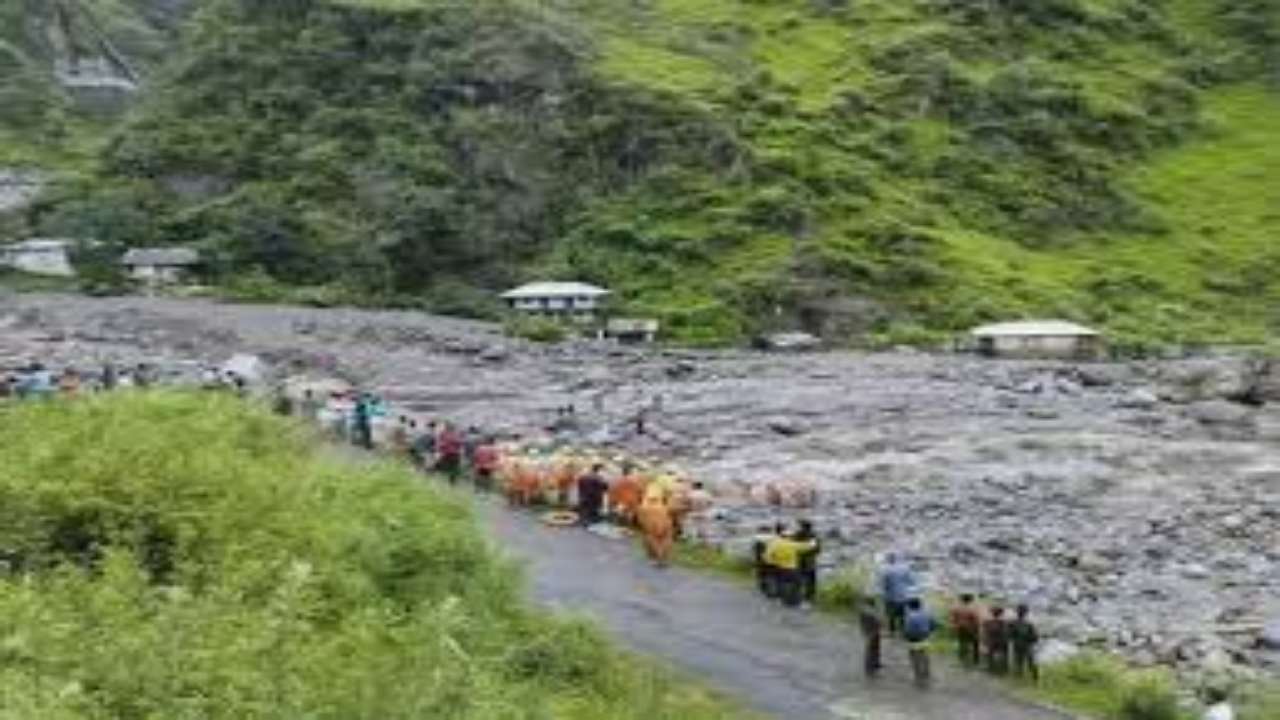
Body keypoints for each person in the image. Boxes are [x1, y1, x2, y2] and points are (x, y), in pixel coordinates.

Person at [764, 529, 816, 608]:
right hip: (791, 568)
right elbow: (807, 546)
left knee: (781, 584)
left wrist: (774, 562)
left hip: (779, 567)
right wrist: (813, 540)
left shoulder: (774, 544)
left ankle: (782, 600)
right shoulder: (791, 544)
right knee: (798, 583)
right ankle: (796, 601)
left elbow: (766, 557)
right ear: (788, 536)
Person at [880, 553, 917, 637]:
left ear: (888, 560)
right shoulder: (905, 569)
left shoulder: (886, 570)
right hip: (903, 596)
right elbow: (912, 582)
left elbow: (884, 584)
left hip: (890, 597)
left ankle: (891, 632)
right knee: (902, 615)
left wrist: (883, 593)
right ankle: (902, 632)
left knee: (890, 615)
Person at [904, 598, 937, 688]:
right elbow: (934, 624)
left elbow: (907, 630)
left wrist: (906, 638)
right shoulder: (927, 614)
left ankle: (918, 676)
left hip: (914, 639)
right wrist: (930, 631)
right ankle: (927, 673)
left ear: (910, 606)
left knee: (915, 658)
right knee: (925, 656)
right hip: (925, 637)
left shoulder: (910, 616)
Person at [637, 494, 675, 568]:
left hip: (652, 526)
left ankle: (658, 559)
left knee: (653, 542)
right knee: (665, 541)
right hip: (666, 525)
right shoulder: (664, 507)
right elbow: (672, 514)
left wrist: (644, 527)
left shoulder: (643, 508)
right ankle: (663, 559)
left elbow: (640, 520)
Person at [950, 593, 983, 668]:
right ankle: (975, 660)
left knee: (962, 643)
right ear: (970, 600)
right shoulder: (972, 609)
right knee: (975, 644)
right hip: (971, 628)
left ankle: (962, 658)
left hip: (960, 628)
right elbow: (976, 620)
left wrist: (955, 626)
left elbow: (953, 618)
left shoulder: (956, 608)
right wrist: (978, 628)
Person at [1009, 604, 1040, 682]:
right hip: (1027, 646)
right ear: (1026, 613)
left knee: (1019, 662)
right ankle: (1035, 679)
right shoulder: (1029, 624)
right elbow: (1035, 637)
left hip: (1017, 645)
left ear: (1017, 612)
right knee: (1031, 663)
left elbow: (1009, 636)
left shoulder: (1012, 623)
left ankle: (1019, 678)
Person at [794, 519, 821, 608]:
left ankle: (798, 597)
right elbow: (818, 550)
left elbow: (793, 547)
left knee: (799, 579)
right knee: (811, 580)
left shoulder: (797, 535)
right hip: (810, 561)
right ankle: (810, 598)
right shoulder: (814, 536)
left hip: (799, 560)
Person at [753, 524, 782, 599]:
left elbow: (755, 550)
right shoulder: (774, 538)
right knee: (773, 575)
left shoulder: (757, 539)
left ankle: (766, 589)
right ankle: (774, 590)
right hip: (772, 560)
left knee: (763, 575)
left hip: (761, 560)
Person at [858, 598, 884, 678]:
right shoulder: (871, 612)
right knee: (871, 650)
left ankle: (872, 665)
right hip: (873, 632)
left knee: (872, 649)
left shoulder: (864, 611)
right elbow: (879, 622)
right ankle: (870, 667)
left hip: (868, 632)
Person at [984, 606, 1011, 675]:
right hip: (1001, 641)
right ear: (1001, 613)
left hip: (991, 641)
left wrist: (985, 641)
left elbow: (986, 632)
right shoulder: (1004, 623)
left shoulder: (987, 622)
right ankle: (1004, 669)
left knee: (990, 655)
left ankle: (991, 667)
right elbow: (1006, 633)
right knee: (1004, 655)